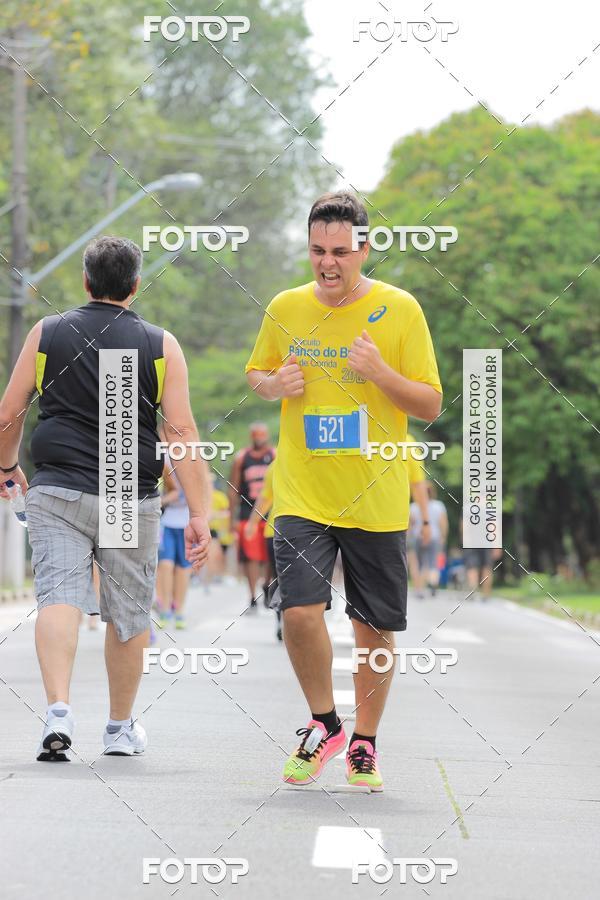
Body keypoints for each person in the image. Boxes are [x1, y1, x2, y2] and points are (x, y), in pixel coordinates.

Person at [246, 192, 442, 791]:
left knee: (373, 629)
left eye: (339, 252)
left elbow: (430, 404)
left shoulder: (400, 309)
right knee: (300, 612)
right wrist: (274, 383)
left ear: (364, 247)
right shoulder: (285, 306)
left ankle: (365, 744)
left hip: (376, 495)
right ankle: (326, 722)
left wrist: (381, 373)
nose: (327, 264)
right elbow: (257, 375)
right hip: (302, 492)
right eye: (316, 251)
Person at [0, 235, 211, 761]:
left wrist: (7, 468)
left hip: (56, 489)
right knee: (128, 612)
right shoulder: (161, 344)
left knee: (59, 597)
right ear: (136, 286)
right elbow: (181, 434)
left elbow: (10, 413)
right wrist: (199, 514)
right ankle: (118, 729)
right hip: (127, 494)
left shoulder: (48, 332)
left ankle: (58, 712)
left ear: (85, 281)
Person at [228, 423, 275, 608]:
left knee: (271, 553)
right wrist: (232, 518)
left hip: (270, 510)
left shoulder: (274, 455)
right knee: (250, 556)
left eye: (262, 434)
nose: (259, 438)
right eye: (256, 434)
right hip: (248, 512)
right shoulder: (242, 457)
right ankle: (252, 594)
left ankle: (267, 584)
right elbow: (233, 489)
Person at [245, 460, 282, 640]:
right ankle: (281, 620)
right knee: (279, 577)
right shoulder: (277, 464)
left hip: (311, 530)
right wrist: (253, 522)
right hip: (275, 530)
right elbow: (266, 496)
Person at [156, 463, 192, 629]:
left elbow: (204, 490)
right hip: (166, 523)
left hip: (187, 524)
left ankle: (179, 610)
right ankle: (164, 609)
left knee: (183, 569)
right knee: (165, 565)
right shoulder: (163, 459)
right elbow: (169, 492)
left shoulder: (194, 458)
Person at [409, 482, 448, 596]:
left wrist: (409, 538)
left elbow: (410, 525)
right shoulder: (438, 505)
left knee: (418, 563)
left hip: (418, 537)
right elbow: (443, 523)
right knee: (433, 563)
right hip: (435, 537)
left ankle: (419, 588)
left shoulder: (414, 506)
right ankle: (433, 582)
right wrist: (443, 537)